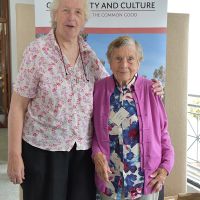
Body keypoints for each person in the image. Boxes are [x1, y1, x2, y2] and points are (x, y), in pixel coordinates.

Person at [7, 0, 163, 200]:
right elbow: (17, 107)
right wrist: (14, 155)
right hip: (43, 150)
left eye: (78, 12)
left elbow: (117, 81)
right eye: (66, 11)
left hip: (82, 152)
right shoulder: (36, 52)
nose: (72, 17)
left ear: (83, 19)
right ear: (55, 15)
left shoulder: (88, 55)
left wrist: (152, 87)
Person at [92, 36, 174, 200]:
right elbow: (93, 132)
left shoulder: (151, 89)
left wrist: (165, 168)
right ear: (109, 61)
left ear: (139, 62)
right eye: (118, 58)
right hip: (110, 181)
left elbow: (163, 133)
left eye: (130, 59)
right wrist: (96, 155)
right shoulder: (99, 89)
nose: (124, 65)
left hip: (145, 182)